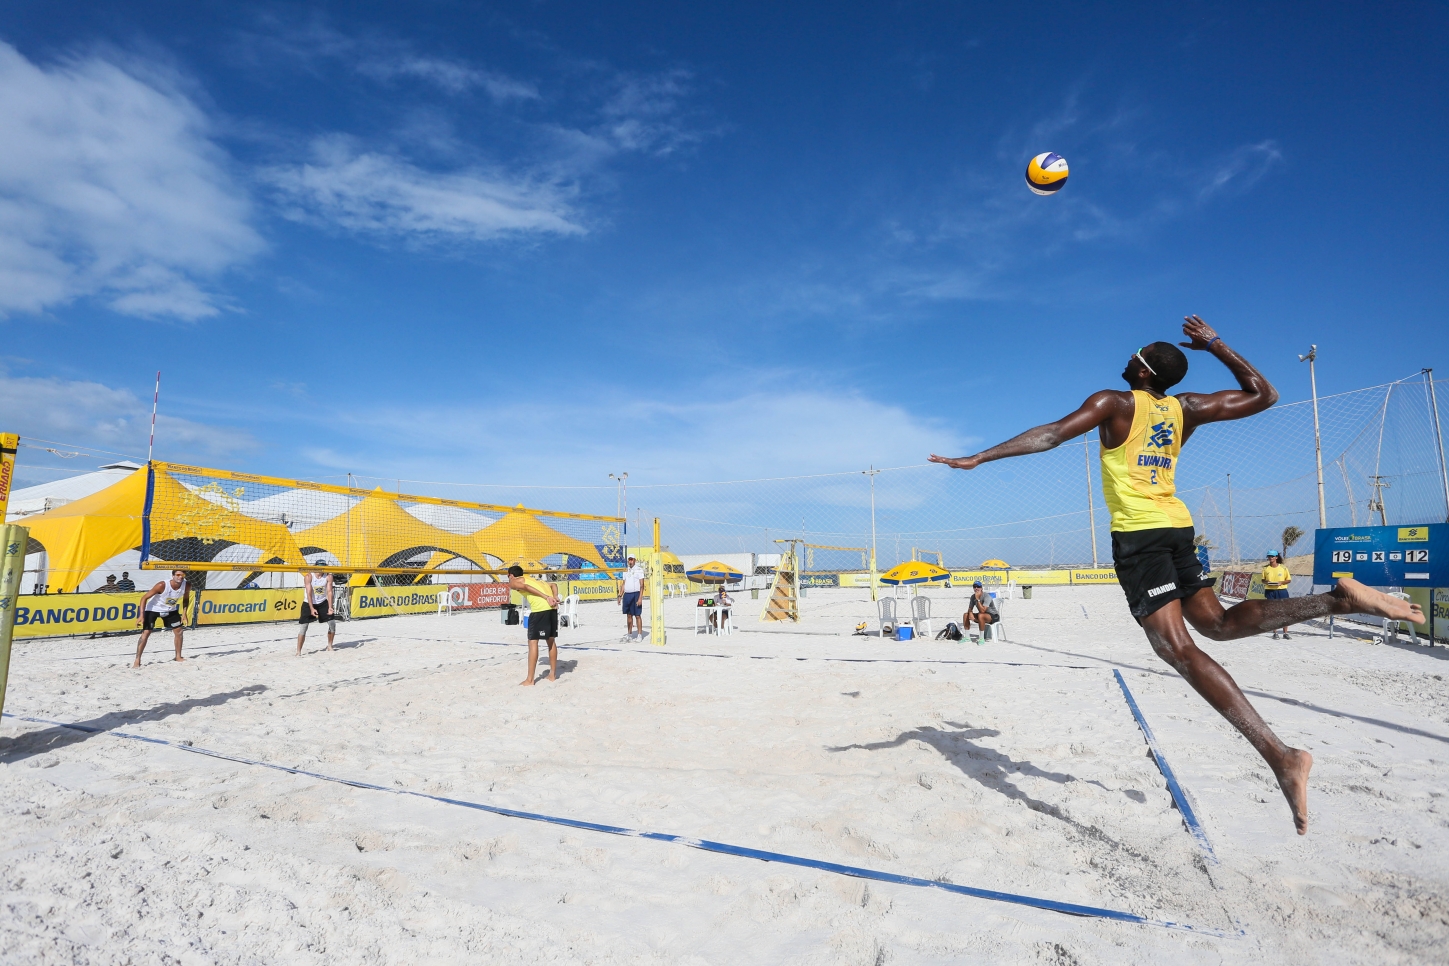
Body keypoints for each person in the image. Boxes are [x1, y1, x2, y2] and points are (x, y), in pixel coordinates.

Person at [929, 316, 1424, 835]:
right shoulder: (1186, 408)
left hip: (1141, 537)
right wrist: (1215, 346)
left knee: (1177, 648)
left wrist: (980, 457)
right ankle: (1337, 601)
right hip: (1178, 528)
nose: (1127, 359)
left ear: (1143, 370)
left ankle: (1280, 757)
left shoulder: (1115, 403)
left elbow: (1052, 434)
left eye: (1134, 356)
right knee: (1217, 624)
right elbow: (1265, 395)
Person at [509, 564, 561, 685]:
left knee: (533, 642)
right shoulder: (535, 580)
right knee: (551, 641)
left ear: (511, 575)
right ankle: (552, 675)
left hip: (540, 611)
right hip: (552, 609)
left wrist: (547, 597)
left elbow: (525, 587)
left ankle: (530, 680)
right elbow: (554, 584)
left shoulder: (515, 581)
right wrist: (555, 596)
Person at [134, 569, 190, 667]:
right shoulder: (162, 585)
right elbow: (144, 598)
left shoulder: (187, 585)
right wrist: (141, 615)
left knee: (179, 631)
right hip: (153, 609)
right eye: (178, 574)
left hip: (170, 610)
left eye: (182, 575)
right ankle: (137, 660)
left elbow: (186, 599)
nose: (180, 577)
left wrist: (184, 613)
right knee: (146, 633)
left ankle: (178, 656)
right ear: (173, 576)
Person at [296, 561, 337, 655]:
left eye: (323, 567)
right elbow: (309, 593)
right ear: (315, 567)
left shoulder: (328, 576)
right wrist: (311, 608)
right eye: (320, 566)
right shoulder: (309, 576)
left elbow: (330, 592)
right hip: (308, 602)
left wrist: (330, 607)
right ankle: (298, 651)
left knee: (332, 624)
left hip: (322, 602)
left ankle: (330, 646)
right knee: (304, 627)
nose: (321, 568)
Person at [1262, 551, 1294, 639]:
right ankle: (1275, 633)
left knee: (1285, 611)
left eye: (1272, 556)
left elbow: (1288, 580)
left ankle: (1285, 633)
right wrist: (1266, 582)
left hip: (1281, 590)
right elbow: (1263, 580)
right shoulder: (1265, 568)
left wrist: (1281, 582)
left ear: (1276, 557)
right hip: (1270, 590)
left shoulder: (1283, 568)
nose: (1270, 558)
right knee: (1272, 612)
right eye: (1269, 556)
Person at [618, 554, 646, 640]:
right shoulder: (626, 570)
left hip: (636, 594)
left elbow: (642, 585)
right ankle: (629, 634)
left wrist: (640, 598)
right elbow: (624, 584)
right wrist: (620, 595)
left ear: (635, 560)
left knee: (637, 615)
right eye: (629, 560)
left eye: (631, 559)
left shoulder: (639, 570)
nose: (630, 561)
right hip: (627, 594)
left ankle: (639, 635)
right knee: (629, 615)